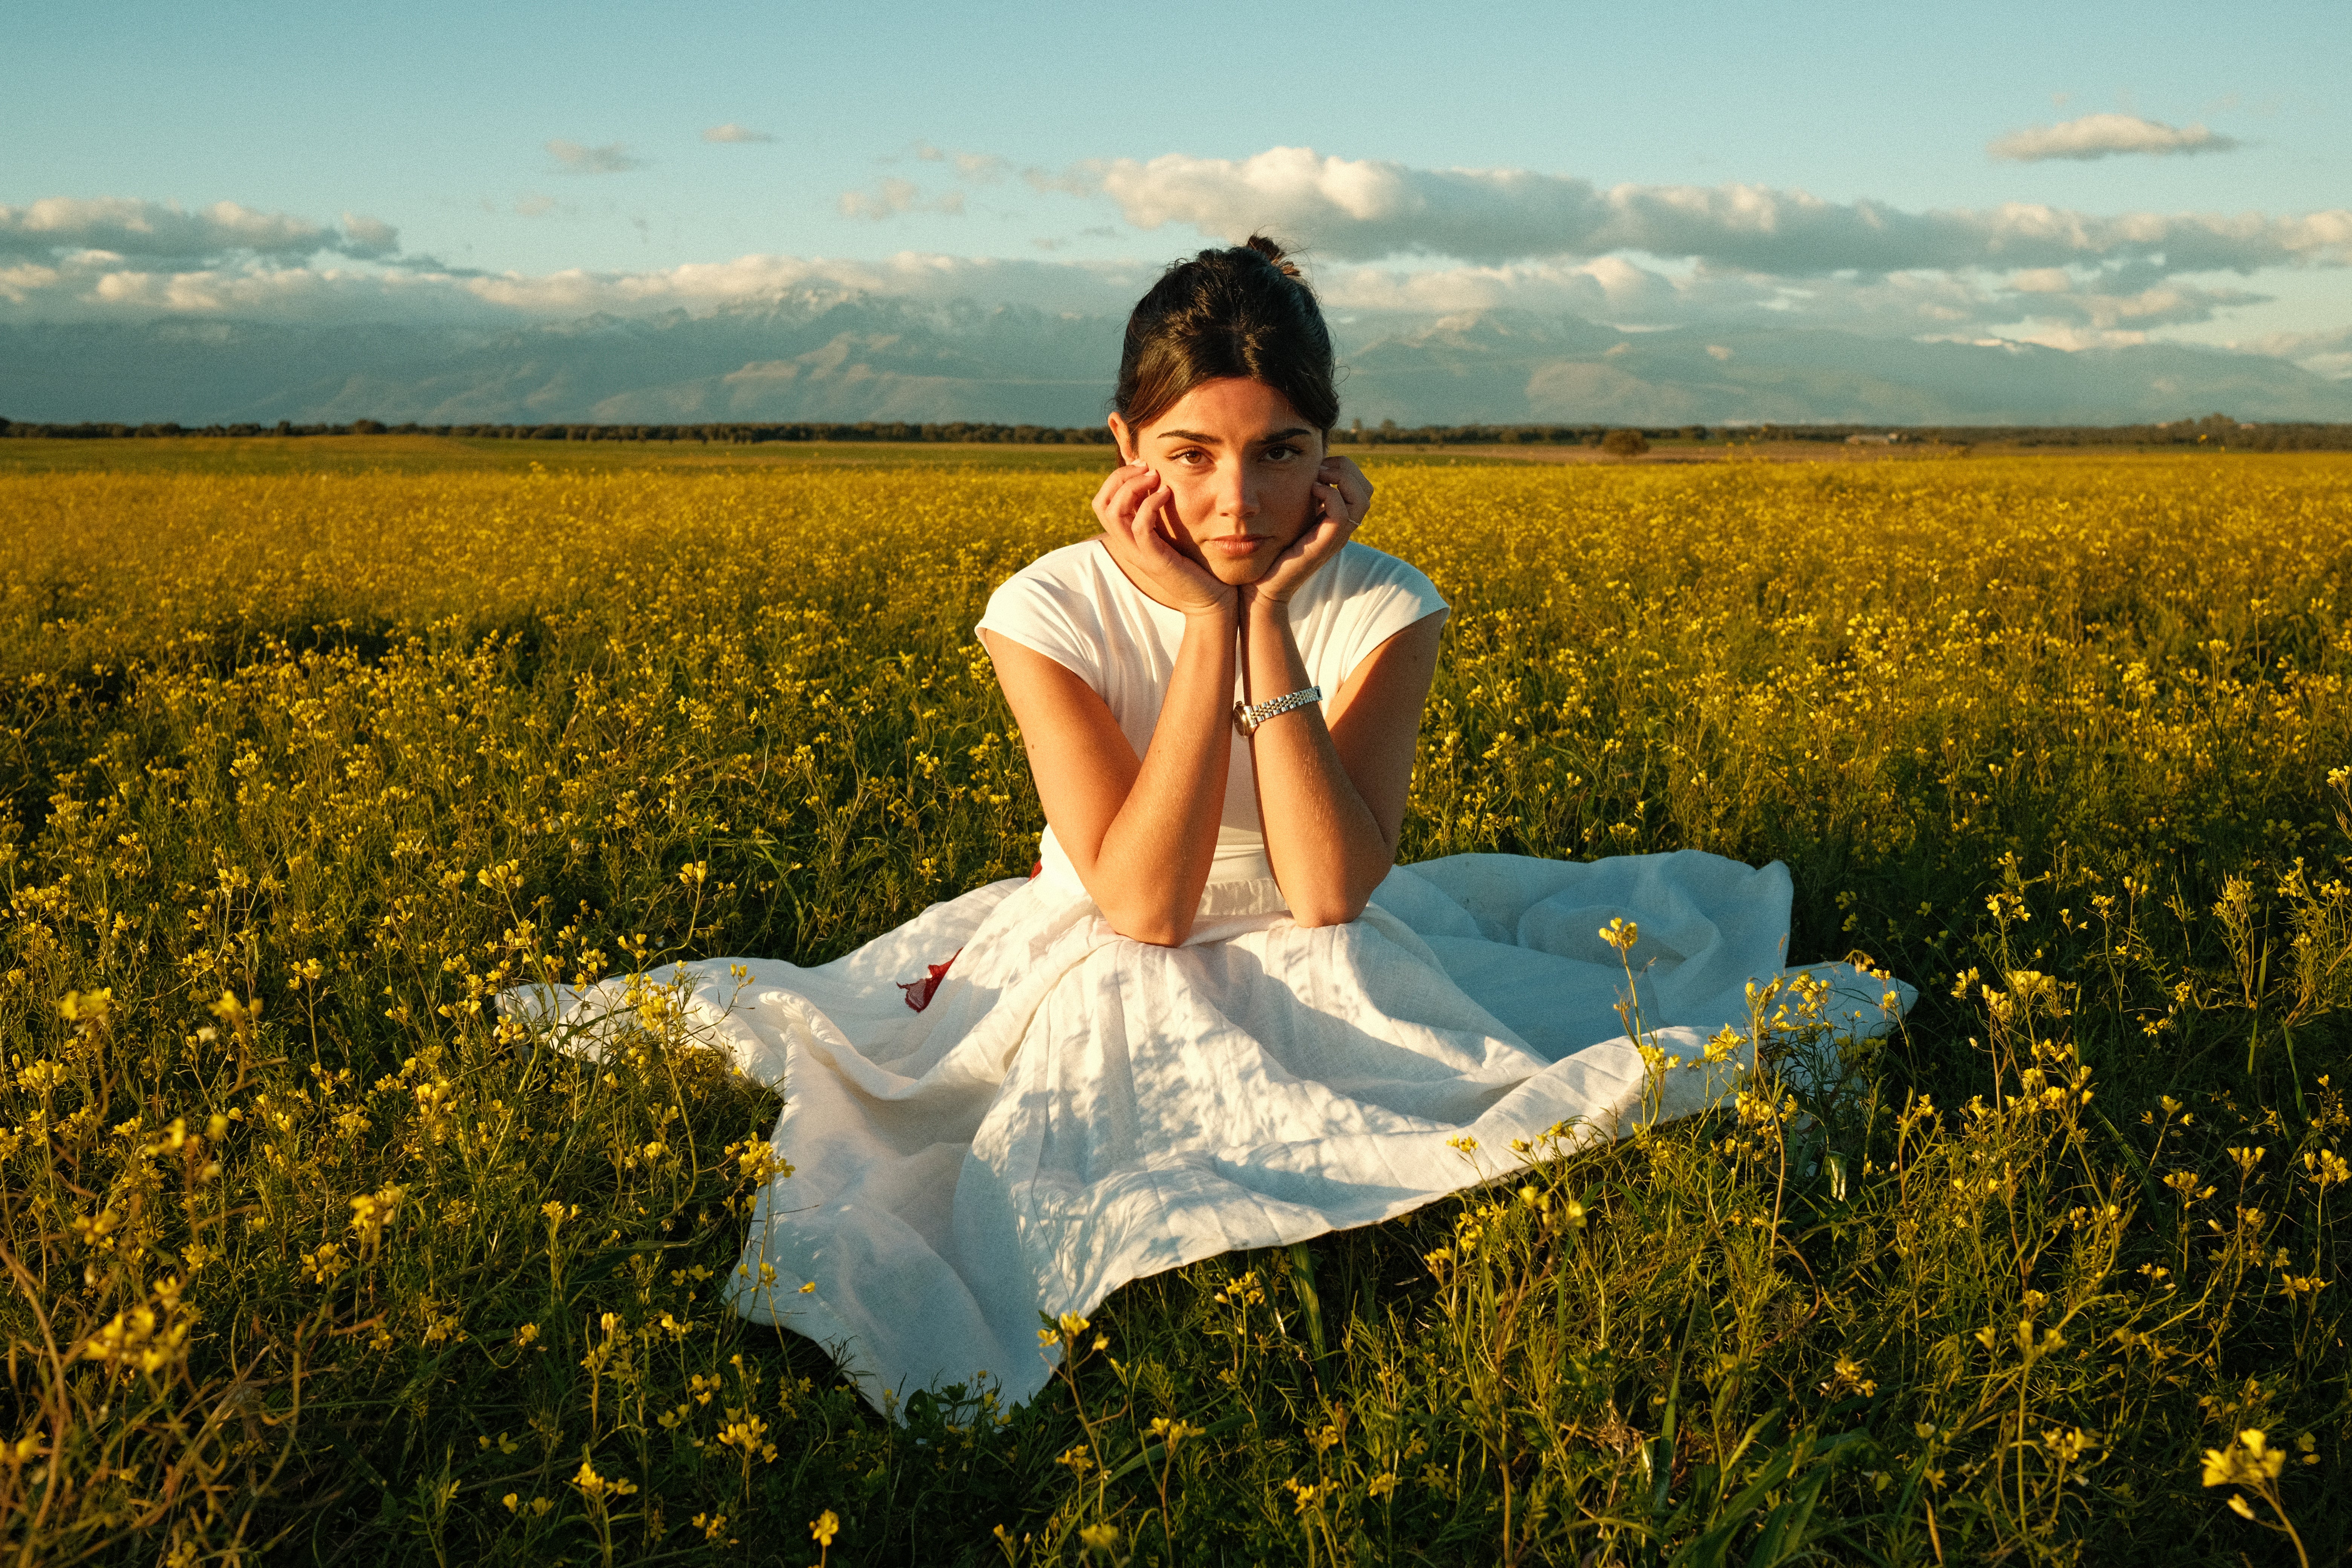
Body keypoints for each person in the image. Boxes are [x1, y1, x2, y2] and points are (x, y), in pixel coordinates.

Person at [517, 238, 1912, 1416]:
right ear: (1125, 450)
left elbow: (1322, 890)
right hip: (1106, 930)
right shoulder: (1047, 608)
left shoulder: (1386, 602)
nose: (1236, 502)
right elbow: (1143, 909)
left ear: (1331, 456)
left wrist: (1265, 626)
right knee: (1113, 1046)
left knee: (1411, 1032)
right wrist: (1202, 623)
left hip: (1330, 930)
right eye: (1190, 454)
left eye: (1279, 452)